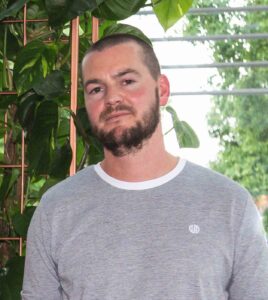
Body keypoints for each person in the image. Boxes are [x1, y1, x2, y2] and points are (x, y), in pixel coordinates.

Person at [21, 33, 268, 300]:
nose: (112, 98)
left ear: (161, 90)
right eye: (96, 89)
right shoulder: (56, 210)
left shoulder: (230, 205)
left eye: (127, 81)